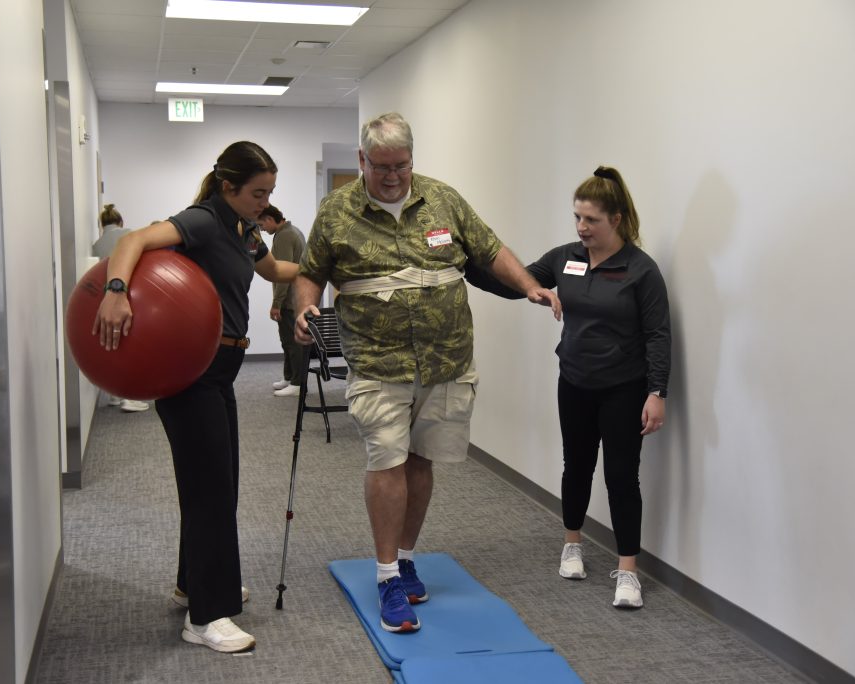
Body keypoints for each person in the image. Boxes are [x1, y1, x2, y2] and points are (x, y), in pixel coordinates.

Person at [293, 112, 557, 633]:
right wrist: (306, 308)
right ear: (362, 160)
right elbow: (310, 274)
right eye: (382, 167)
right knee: (387, 459)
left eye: (403, 166)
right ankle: (388, 575)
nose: (393, 177)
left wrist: (529, 285)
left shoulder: (443, 199)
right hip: (377, 360)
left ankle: (407, 557)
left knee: (421, 462)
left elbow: (489, 249)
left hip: (446, 360)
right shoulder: (337, 212)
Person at [93, 141, 298, 653]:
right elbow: (136, 238)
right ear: (228, 187)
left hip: (222, 373)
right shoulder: (204, 220)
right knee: (210, 491)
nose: (264, 202)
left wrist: (332, 271)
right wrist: (115, 289)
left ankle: (194, 584)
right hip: (191, 373)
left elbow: (273, 272)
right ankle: (205, 617)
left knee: (216, 486)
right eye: (257, 192)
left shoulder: (243, 229)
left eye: (270, 192)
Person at [468, 166, 670, 609]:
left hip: (623, 388)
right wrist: (468, 264)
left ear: (616, 219)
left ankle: (628, 570)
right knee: (575, 466)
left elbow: (658, 334)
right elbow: (518, 282)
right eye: (576, 218)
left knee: (621, 477)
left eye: (590, 220)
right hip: (574, 382)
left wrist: (658, 392)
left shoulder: (641, 270)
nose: (581, 227)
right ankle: (572, 543)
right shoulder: (566, 257)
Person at [91, 204, 150, 412]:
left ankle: (114, 395)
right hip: (128, 294)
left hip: (104, 299)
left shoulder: (96, 245)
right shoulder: (130, 235)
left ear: (102, 224)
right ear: (120, 221)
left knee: (111, 343)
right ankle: (130, 397)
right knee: (130, 344)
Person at [258, 204, 307, 397]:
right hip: (293, 298)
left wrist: (276, 303)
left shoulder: (285, 236)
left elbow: (282, 273)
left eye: (262, 225)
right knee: (287, 340)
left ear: (270, 219)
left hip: (290, 300)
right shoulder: (292, 231)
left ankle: (297, 383)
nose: (262, 229)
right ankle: (289, 377)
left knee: (294, 342)